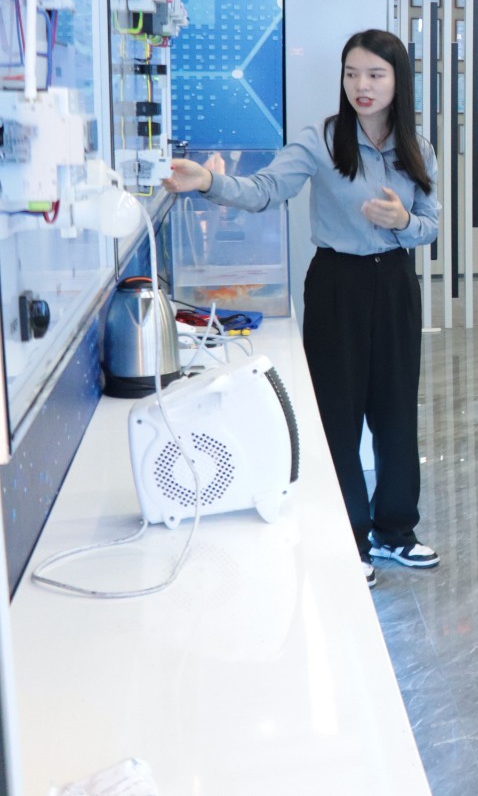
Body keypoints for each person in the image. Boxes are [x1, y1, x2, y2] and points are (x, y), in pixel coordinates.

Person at [162, 29, 441, 589]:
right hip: (339, 284)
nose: (362, 85)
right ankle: (350, 535)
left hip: (395, 285)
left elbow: (430, 225)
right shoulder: (323, 140)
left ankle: (396, 531)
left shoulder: (417, 148)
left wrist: (403, 223)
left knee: (395, 411)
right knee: (339, 414)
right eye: (352, 74)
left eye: (375, 74)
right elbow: (264, 189)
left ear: (398, 81)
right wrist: (210, 181)